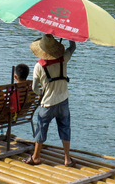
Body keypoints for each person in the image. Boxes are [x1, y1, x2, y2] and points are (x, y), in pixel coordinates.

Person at [25, 34, 77, 168]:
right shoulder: (63, 58)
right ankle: (67, 159)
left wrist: (40, 94)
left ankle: (36, 157)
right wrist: (69, 36)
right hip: (63, 99)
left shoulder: (39, 66)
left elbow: (35, 87)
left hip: (47, 103)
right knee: (65, 128)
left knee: (41, 128)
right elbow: (73, 47)